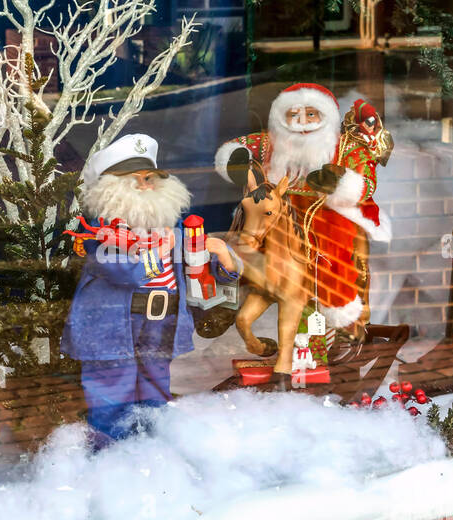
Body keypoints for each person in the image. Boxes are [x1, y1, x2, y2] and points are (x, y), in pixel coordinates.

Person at [62, 133, 239, 443]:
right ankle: (111, 451)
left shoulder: (175, 229)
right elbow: (125, 274)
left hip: (162, 320)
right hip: (114, 326)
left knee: (156, 383)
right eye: (134, 180)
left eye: (150, 178)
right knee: (113, 387)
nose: (145, 186)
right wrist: (160, 252)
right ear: (111, 188)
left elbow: (202, 272)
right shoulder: (101, 235)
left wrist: (222, 256)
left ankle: (154, 445)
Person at [214, 83, 392, 330]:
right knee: (246, 243)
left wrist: (340, 182)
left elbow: (367, 183)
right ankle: (232, 301)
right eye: (293, 115)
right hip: (277, 207)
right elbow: (238, 148)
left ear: (325, 116)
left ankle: (337, 306)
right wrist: (236, 162)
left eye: (311, 114)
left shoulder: (345, 148)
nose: (303, 122)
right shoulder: (270, 142)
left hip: (328, 211)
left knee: (333, 249)